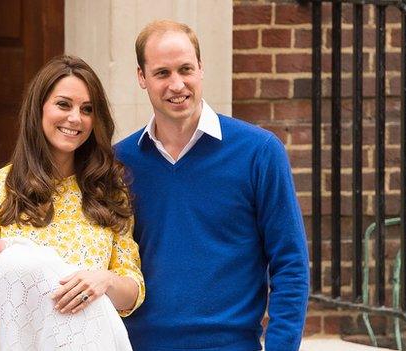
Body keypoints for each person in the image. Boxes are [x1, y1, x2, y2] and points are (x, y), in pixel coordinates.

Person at [114, 20, 309, 351]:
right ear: (142, 78)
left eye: (186, 69)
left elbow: (290, 263)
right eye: (162, 73)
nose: (177, 84)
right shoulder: (120, 162)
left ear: (201, 69)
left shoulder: (258, 152)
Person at [0, 55, 144, 350]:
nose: (75, 118)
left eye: (87, 109)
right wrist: (54, 285)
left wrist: (104, 281)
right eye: (63, 104)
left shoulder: (109, 191)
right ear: (39, 108)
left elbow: (132, 292)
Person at [0, 232, 133, 350]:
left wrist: (106, 279)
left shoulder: (109, 191)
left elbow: (134, 293)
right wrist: (38, 284)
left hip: (96, 318)